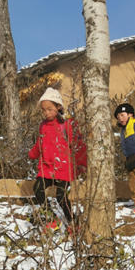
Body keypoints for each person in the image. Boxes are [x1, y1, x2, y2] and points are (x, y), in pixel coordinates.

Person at [29, 88, 87, 231]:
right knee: (38, 189)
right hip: (46, 168)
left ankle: (73, 222)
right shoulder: (43, 125)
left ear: (58, 107)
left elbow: (78, 145)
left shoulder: (68, 124)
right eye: (43, 110)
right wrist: (32, 154)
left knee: (61, 196)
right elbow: (40, 143)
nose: (46, 113)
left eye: (49, 109)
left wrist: (82, 165)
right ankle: (52, 219)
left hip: (63, 168)